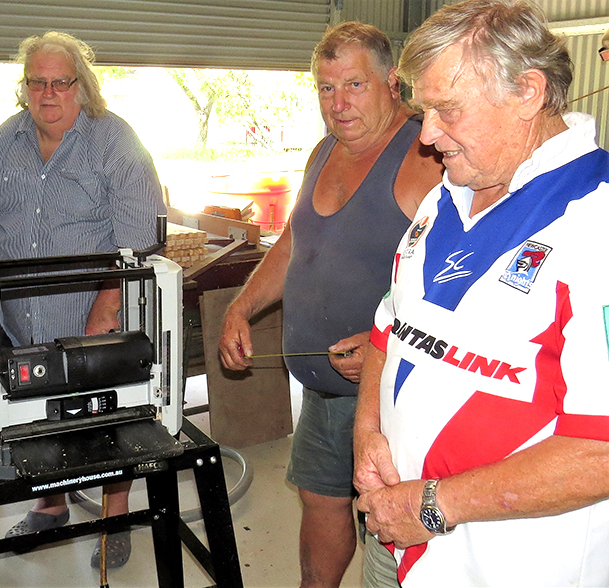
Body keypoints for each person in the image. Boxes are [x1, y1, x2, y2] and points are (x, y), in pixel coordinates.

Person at [353, 1, 609, 586]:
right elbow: (390, 331)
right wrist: (367, 433)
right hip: (396, 536)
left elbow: (600, 450)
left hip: (505, 565)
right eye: (424, 110)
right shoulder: (444, 195)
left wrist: (432, 506)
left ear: (527, 92)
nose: (427, 135)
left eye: (447, 110)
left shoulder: (596, 218)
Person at [217, 22, 443, 588]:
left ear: (392, 82)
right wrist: (243, 307)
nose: (338, 104)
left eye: (354, 85)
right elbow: (295, 241)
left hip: (387, 396)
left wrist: (386, 347)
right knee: (320, 500)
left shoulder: (424, 156)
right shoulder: (324, 151)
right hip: (322, 390)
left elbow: (455, 279)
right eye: (325, 88)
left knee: (390, 530)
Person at [0, 31, 166, 569]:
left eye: (60, 82)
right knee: (39, 414)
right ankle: (51, 505)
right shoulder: (3, 142)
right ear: (24, 87)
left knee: (111, 418)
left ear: (82, 85)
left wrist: (106, 308)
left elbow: (138, 240)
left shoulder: (114, 141)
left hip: (93, 314)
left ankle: (114, 515)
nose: (48, 93)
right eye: (38, 82)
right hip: (20, 316)